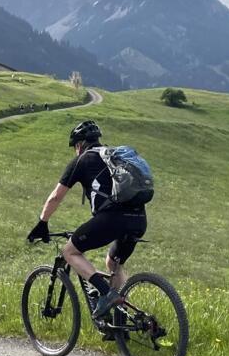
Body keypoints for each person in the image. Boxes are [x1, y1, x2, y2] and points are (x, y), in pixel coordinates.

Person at [27, 120, 147, 324]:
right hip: (139, 219)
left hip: (112, 219)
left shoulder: (82, 160)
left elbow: (56, 196)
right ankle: (121, 322)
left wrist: (42, 223)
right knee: (113, 263)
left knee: (69, 252)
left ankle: (105, 294)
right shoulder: (115, 157)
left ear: (79, 145)